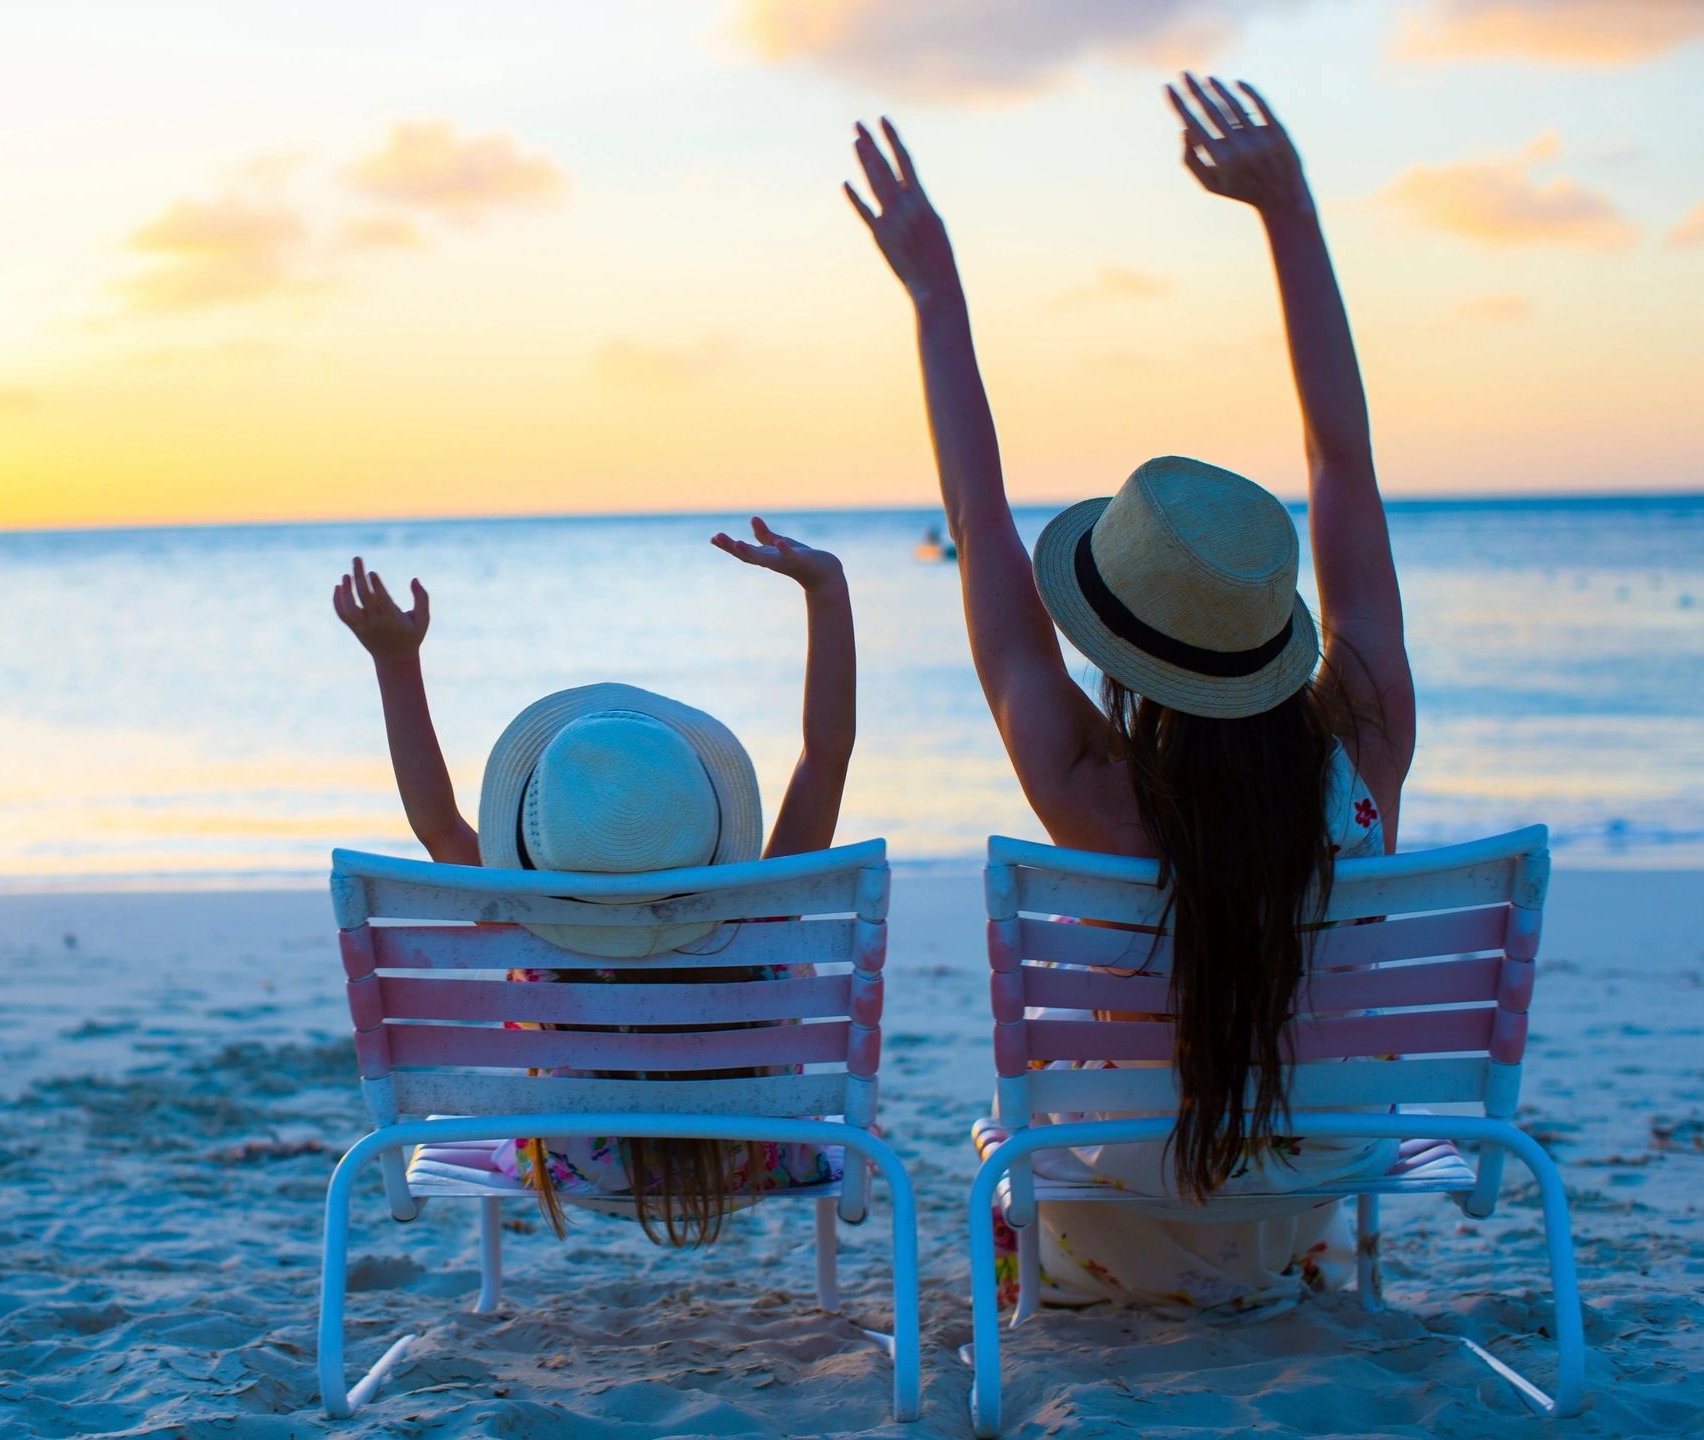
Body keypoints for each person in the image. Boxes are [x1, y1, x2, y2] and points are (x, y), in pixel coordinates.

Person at [847, 75, 1416, 1315]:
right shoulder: (1365, 744)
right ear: (1269, 630)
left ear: (1118, 641)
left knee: (1001, 1151)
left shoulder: (1088, 789)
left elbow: (976, 523)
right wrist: (1291, 215)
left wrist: (935, 292)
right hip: (1306, 1195)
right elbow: (1342, 461)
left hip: (1108, 1216)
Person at [330, 516, 857, 1247]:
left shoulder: (518, 916)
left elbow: (436, 822)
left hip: (578, 1163)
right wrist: (826, 591)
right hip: (753, 1157)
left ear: (539, 830)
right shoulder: (760, 911)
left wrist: (395, 661)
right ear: (704, 818)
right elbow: (825, 754)